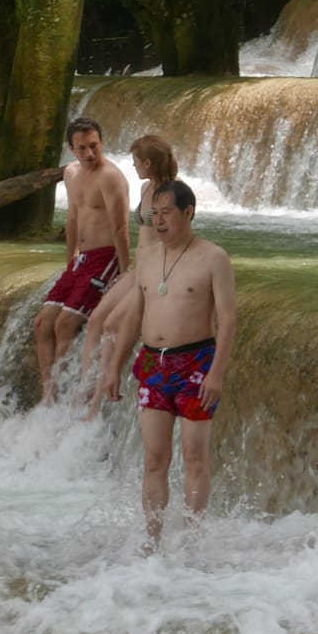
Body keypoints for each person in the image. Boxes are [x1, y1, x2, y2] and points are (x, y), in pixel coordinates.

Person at [93, 180, 236, 550]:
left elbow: (228, 319)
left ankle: (191, 540)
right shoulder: (148, 257)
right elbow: (134, 315)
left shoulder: (213, 257)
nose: (158, 221)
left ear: (188, 212)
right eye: (154, 214)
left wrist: (216, 373)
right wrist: (114, 367)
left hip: (196, 363)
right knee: (155, 458)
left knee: (194, 456)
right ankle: (152, 540)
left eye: (166, 213)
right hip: (152, 364)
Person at [77, 134, 178, 417]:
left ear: (147, 162)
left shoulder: (172, 193)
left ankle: (98, 400)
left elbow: (175, 240)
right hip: (139, 268)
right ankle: (85, 387)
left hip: (156, 271)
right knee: (96, 319)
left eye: (135, 161)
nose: (132, 167)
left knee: (111, 325)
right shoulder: (147, 187)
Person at [33, 117, 132, 404]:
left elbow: (120, 228)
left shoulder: (111, 177)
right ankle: (47, 393)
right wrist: (70, 261)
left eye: (94, 146)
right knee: (42, 323)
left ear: (102, 143)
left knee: (64, 323)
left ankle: (65, 395)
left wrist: (125, 275)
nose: (89, 154)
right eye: (82, 148)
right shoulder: (71, 173)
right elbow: (73, 217)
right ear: (70, 149)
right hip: (81, 259)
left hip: (105, 257)